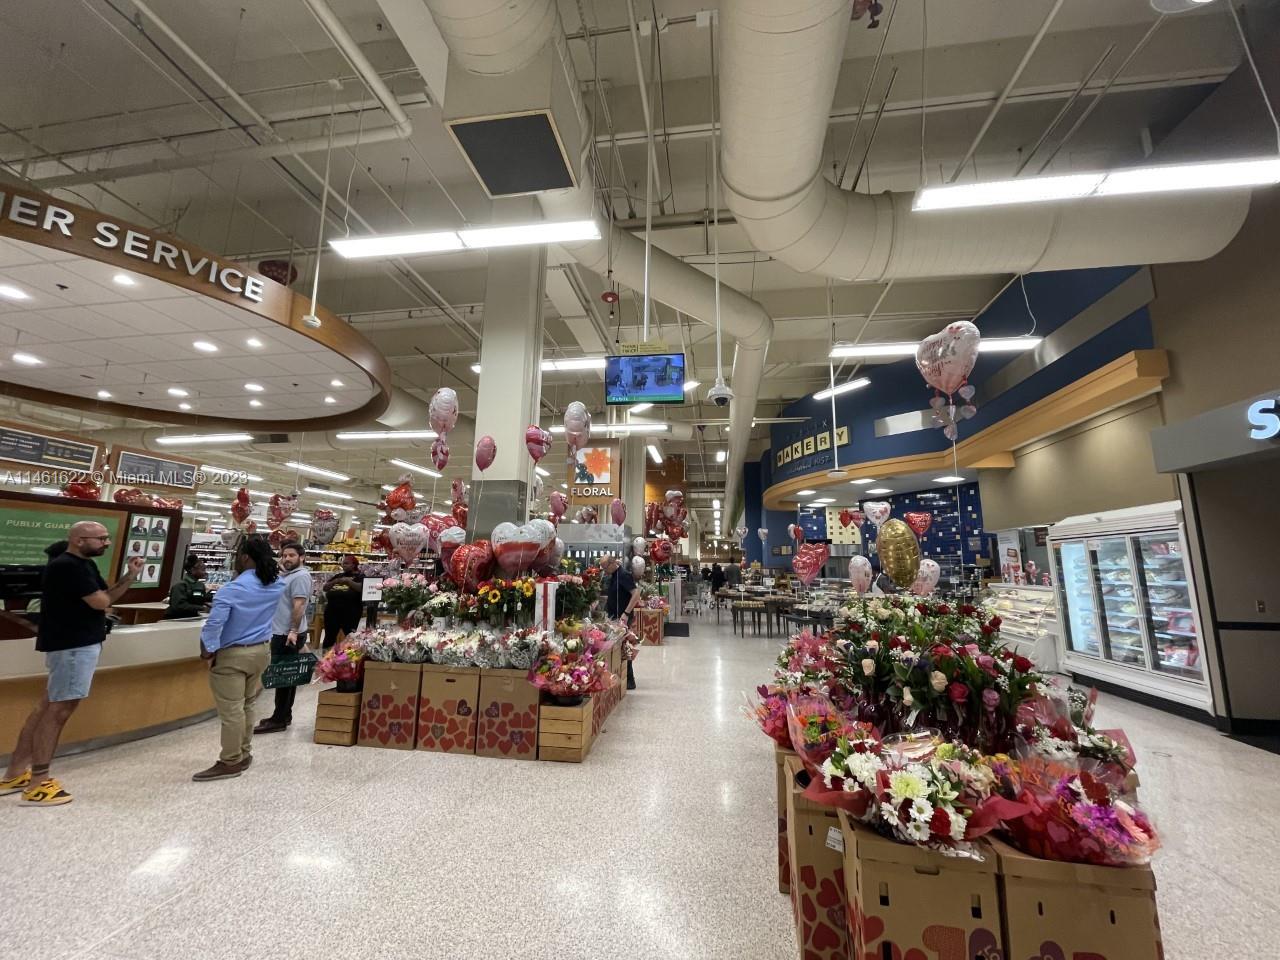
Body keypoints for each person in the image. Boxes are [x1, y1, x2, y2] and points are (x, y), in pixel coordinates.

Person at [1, 522, 142, 806]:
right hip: (73, 646)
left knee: (47, 708)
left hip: (74, 645)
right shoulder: (68, 567)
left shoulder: (84, 565)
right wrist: (110, 596)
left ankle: (15, 772)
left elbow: (105, 597)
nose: (106, 543)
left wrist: (130, 575)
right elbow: (102, 602)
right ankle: (39, 783)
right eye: (100, 538)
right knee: (58, 711)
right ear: (79, 540)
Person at [194, 535, 283, 781]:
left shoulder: (232, 590)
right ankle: (244, 753)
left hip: (233, 655)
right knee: (247, 704)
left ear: (244, 557)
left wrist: (208, 650)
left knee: (232, 711)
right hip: (261, 651)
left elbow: (213, 625)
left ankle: (230, 760)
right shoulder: (276, 585)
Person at [254, 541, 313, 734]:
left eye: (291, 556)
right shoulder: (288, 575)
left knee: (284, 676)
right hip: (282, 632)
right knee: (288, 676)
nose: (286, 559)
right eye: (284, 555)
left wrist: (293, 631)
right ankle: (283, 714)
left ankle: (278, 718)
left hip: (288, 634)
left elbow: (299, 606)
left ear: (302, 557)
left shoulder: (300, 577)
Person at [602, 554, 641, 691]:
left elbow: (636, 594)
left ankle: (630, 680)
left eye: (605, 567)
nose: (604, 571)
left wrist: (626, 613)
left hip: (622, 618)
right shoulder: (614, 575)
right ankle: (623, 678)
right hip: (615, 617)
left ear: (612, 564)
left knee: (625, 646)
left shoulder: (623, 575)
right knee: (621, 647)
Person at [321, 554, 365, 650]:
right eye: (343, 564)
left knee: (350, 637)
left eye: (346, 563)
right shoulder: (339, 576)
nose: (344, 565)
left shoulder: (360, 576)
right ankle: (326, 660)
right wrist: (335, 581)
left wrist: (348, 582)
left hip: (350, 613)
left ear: (354, 564)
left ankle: (349, 660)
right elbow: (325, 588)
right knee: (329, 637)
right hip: (332, 612)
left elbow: (362, 588)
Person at [165, 553, 211, 619]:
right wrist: (202, 608)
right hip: (176, 619)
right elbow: (178, 606)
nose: (205, 572)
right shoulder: (180, 585)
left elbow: (201, 600)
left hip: (192, 618)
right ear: (192, 570)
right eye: (202, 570)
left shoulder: (200, 585)